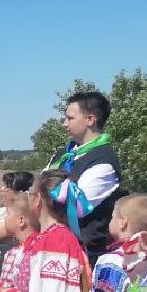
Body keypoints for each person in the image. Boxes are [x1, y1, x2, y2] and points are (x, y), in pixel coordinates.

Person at [46, 90, 125, 258]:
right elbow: (38, 187)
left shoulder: (104, 162)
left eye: (70, 118)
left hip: (82, 254)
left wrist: (40, 196)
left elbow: (75, 207)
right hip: (52, 245)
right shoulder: (63, 154)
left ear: (90, 119)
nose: (64, 124)